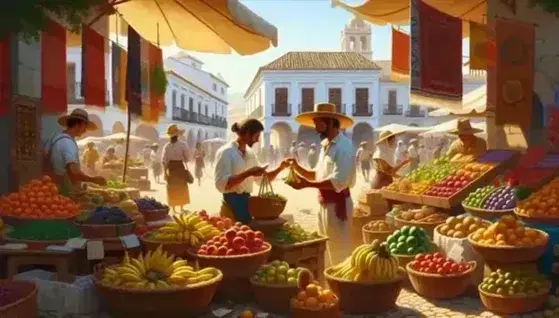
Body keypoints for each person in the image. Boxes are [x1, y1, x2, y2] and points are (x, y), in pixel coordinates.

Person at [283, 102, 356, 267]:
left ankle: (341, 287)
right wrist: (296, 167)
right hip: (324, 204)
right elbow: (316, 174)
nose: (315, 128)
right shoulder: (325, 146)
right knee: (326, 248)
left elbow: (339, 181)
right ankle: (329, 283)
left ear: (329, 122)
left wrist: (307, 184)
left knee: (339, 251)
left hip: (338, 207)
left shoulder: (344, 147)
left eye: (317, 123)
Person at [214, 119, 288, 224]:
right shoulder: (226, 152)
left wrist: (280, 168)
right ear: (247, 133)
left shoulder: (251, 154)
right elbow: (222, 185)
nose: (257, 140)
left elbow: (261, 179)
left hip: (247, 203)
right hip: (231, 204)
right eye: (256, 136)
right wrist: (248, 173)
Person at [44, 109, 106, 197]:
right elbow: (74, 172)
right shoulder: (67, 143)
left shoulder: (56, 137)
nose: (85, 130)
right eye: (85, 126)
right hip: (64, 193)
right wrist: (94, 180)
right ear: (78, 124)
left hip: (52, 189)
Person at [162, 124, 191, 213]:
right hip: (179, 167)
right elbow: (188, 158)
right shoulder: (183, 145)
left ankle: (174, 208)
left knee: (173, 188)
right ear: (177, 135)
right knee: (181, 187)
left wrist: (165, 173)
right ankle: (181, 207)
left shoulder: (167, 146)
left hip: (171, 168)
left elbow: (164, 161)